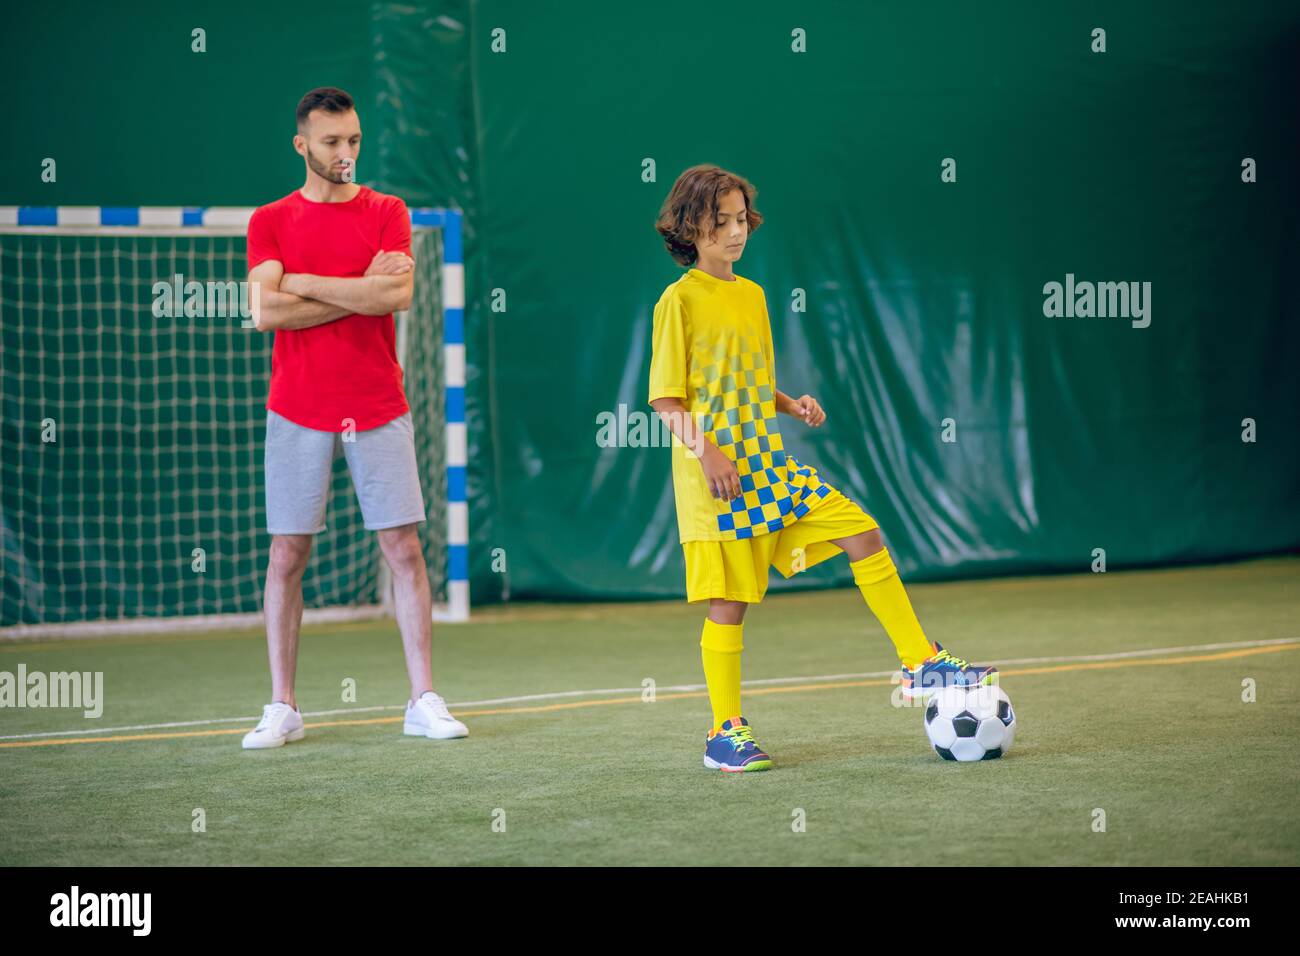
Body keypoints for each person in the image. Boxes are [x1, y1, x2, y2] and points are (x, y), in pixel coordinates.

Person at [648, 164, 996, 772]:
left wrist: (788, 402)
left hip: (769, 468)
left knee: (861, 530)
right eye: (718, 223)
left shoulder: (751, 294)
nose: (735, 234)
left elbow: (744, 377)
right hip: (718, 481)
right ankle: (724, 733)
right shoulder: (676, 302)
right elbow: (665, 400)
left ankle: (920, 661)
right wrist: (708, 451)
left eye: (740, 221)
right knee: (729, 604)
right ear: (689, 229)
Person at [241, 86, 466, 748]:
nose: (346, 153)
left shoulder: (387, 210)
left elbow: (396, 292)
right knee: (288, 553)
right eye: (333, 141)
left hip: (377, 405)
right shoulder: (271, 220)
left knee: (404, 548)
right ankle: (283, 705)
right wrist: (356, 292)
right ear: (302, 144)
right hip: (296, 409)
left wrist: (302, 281)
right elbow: (264, 311)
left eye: (355, 141)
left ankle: (423, 699)